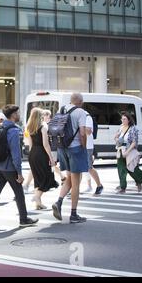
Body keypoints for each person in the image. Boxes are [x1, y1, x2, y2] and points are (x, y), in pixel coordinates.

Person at [0, 105, 39, 231]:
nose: (19, 114)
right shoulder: (13, 130)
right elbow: (16, 153)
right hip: (9, 168)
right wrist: (19, 172)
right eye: (18, 112)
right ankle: (23, 219)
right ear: (13, 115)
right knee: (19, 193)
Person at [52, 93, 89, 224]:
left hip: (62, 147)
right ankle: (73, 214)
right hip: (76, 148)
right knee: (76, 182)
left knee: (69, 178)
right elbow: (83, 133)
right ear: (80, 101)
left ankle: (59, 201)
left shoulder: (62, 109)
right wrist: (84, 148)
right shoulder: (81, 112)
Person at [26, 108, 59, 210]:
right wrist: (51, 157)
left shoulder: (29, 127)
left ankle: (38, 203)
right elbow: (46, 144)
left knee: (37, 178)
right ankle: (36, 197)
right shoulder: (43, 126)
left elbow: (30, 144)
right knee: (47, 177)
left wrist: (31, 156)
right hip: (41, 153)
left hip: (33, 154)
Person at [114, 112, 142, 194]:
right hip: (120, 150)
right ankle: (123, 187)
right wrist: (117, 139)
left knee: (132, 169)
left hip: (129, 151)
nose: (122, 120)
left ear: (129, 120)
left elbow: (134, 142)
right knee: (121, 169)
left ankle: (140, 180)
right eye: (122, 119)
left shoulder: (133, 129)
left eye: (124, 119)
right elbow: (115, 138)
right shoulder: (121, 127)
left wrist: (127, 152)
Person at [83, 112, 104, 196]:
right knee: (77, 169)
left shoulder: (87, 116)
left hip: (87, 146)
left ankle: (99, 185)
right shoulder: (75, 115)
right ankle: (74, 188)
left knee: (89, 167)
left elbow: (88, 131)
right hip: (78, 145)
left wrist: (79, 126)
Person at [42, 110, 65, 184]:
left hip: (52, 148)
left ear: (48, 116)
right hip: (48, 148)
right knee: (52, 165)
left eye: (45, 115)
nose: (43, 116)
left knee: (52, 165)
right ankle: (62, 178)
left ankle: (60, 179)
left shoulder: (50, 125)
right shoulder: (45, 124)